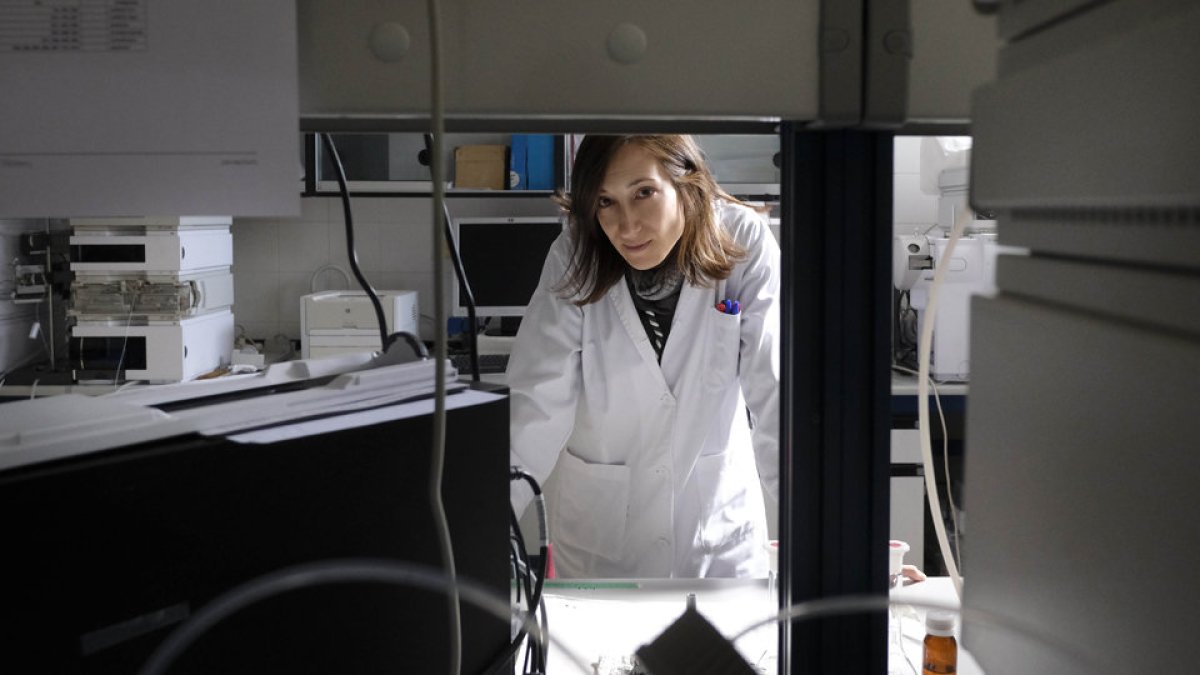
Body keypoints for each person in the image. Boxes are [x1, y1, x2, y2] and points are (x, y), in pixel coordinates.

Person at [506, 135, 780, 579]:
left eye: (643, 193)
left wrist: (827, 541)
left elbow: (778, 396)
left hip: (715, 542)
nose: (627, 226)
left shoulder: (743, 240)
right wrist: (477, 534)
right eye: (605, 202)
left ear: (685, 181)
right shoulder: (576, 253)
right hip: (604, 546)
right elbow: (534, 406)